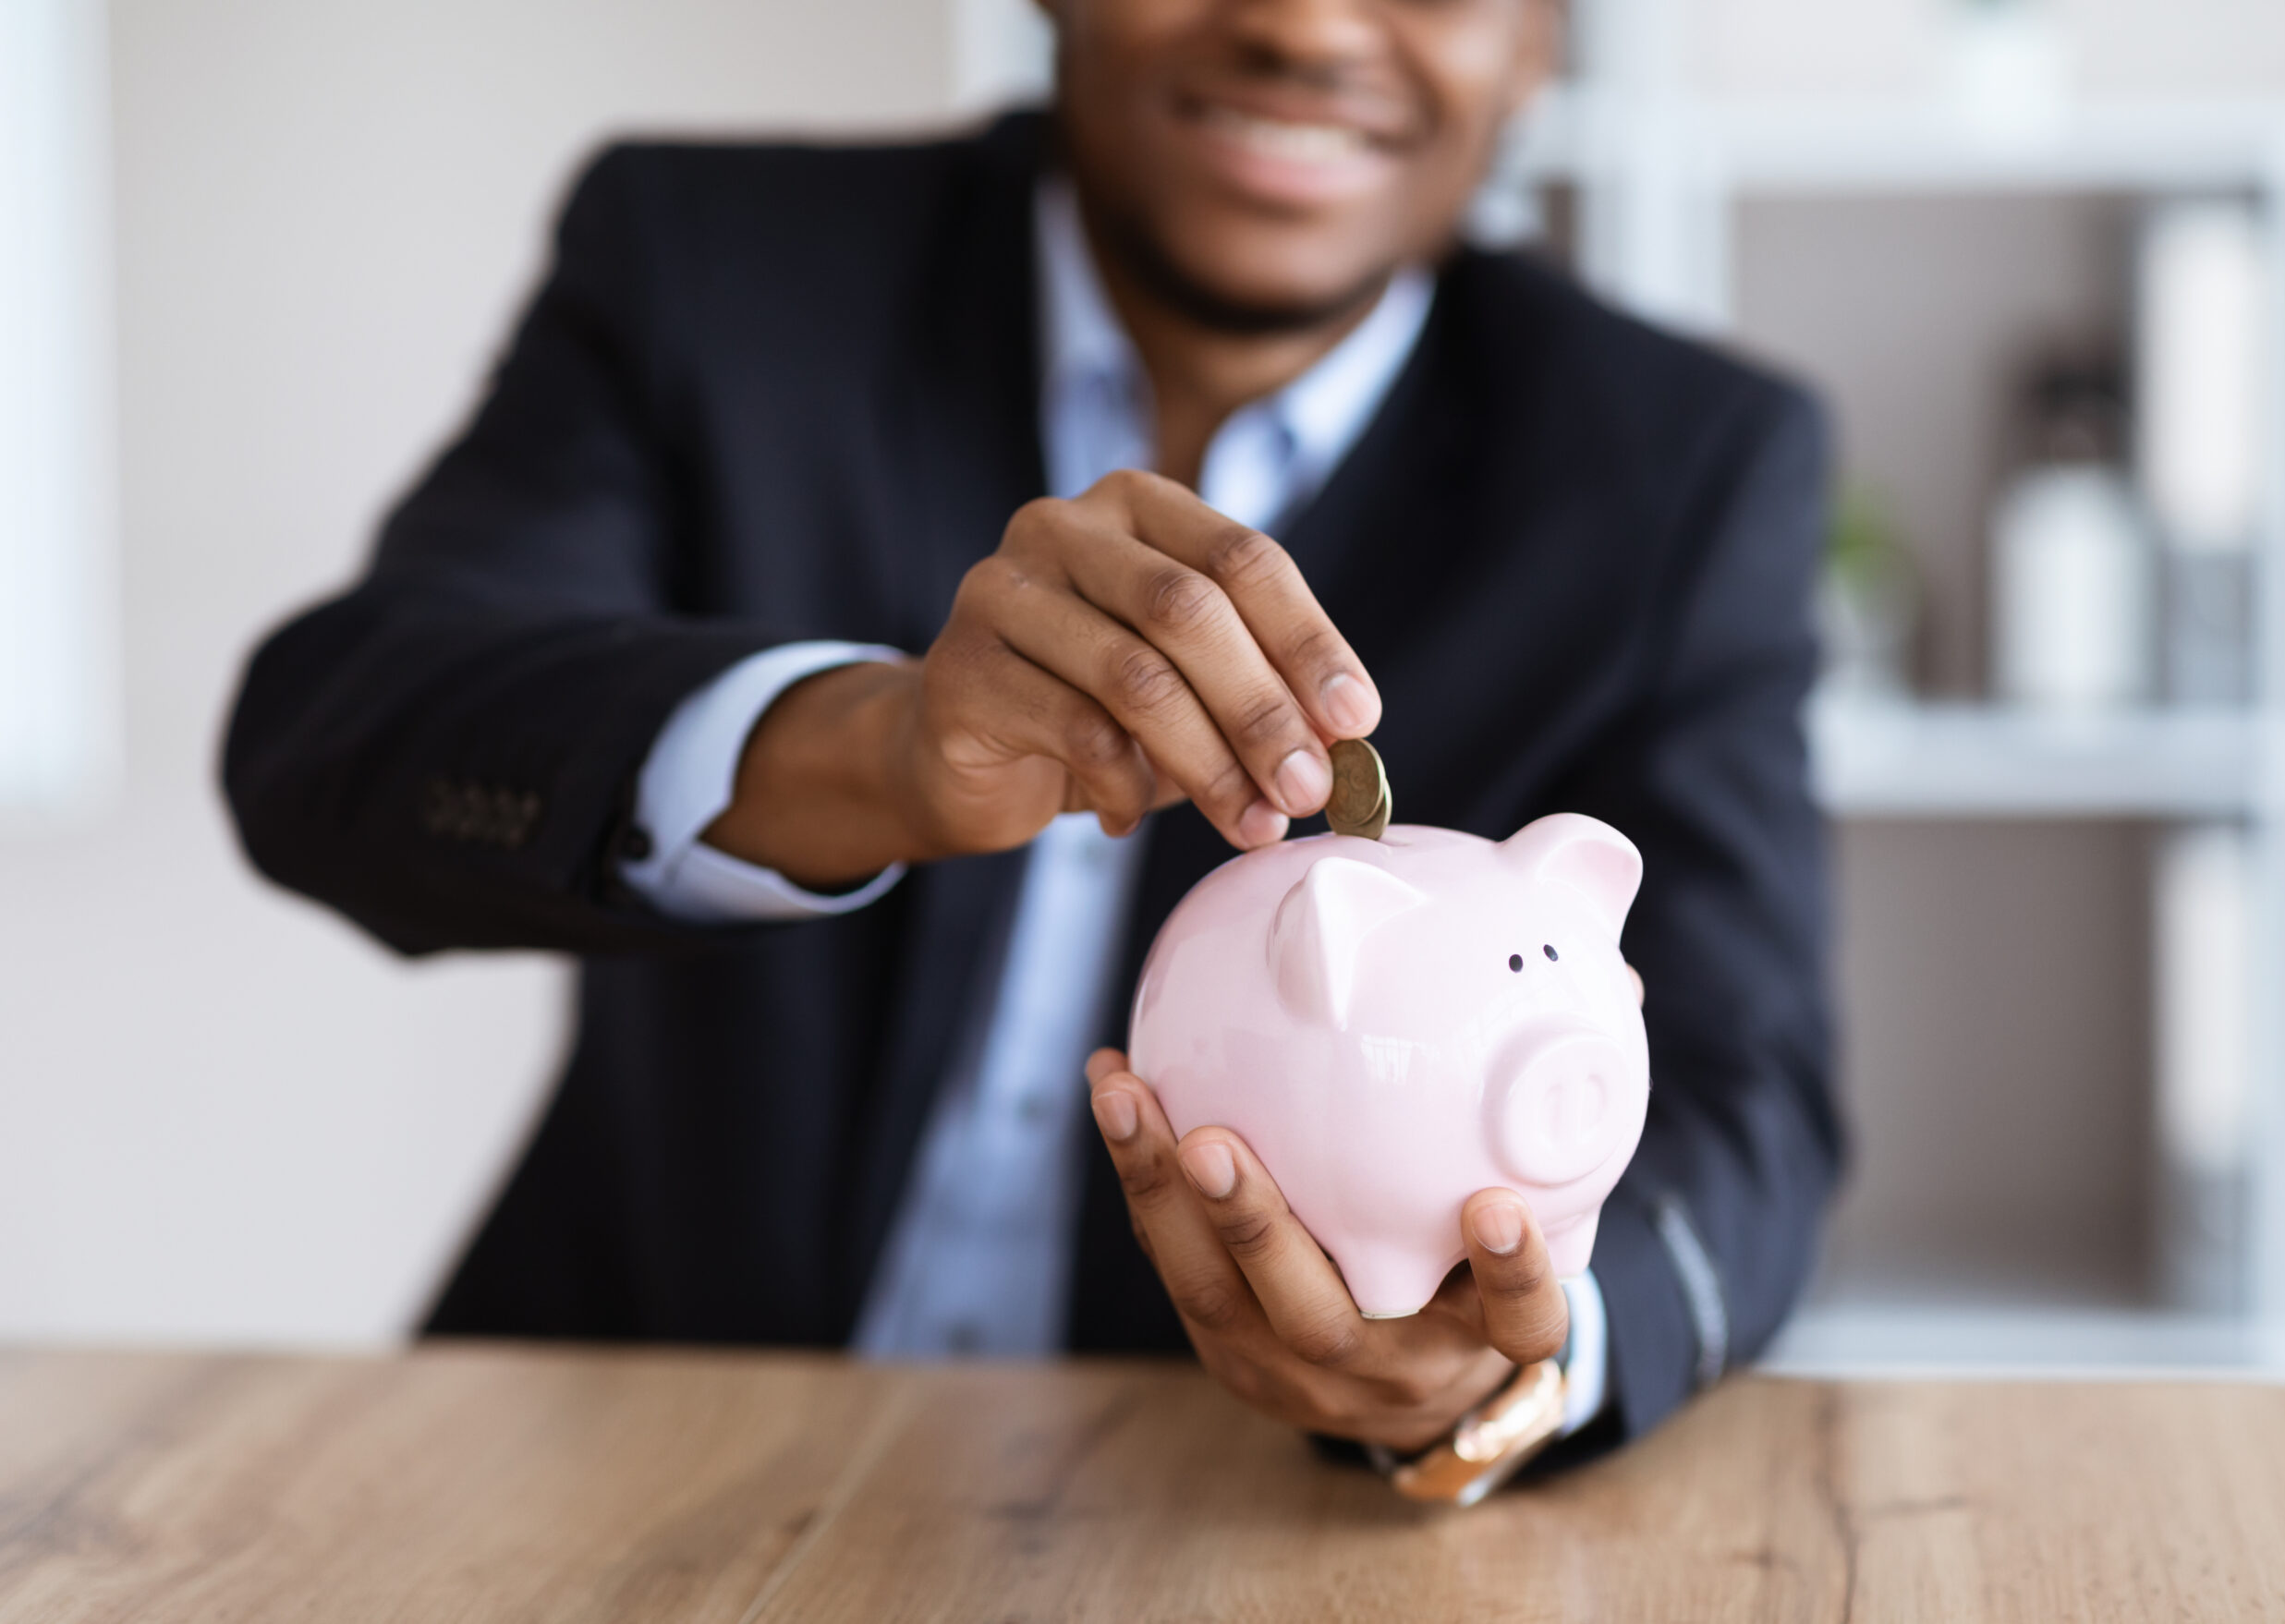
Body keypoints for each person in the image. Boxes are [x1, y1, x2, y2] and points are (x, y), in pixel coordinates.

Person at [224, 0, 1839, 1488]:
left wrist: (1506, 1353)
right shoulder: (708, 266)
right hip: (629, 1455)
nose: (1304, 23)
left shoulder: (1681, 465)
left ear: (1542, 40)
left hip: (1217, 1516)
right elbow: (337, 732)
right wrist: (867, 747)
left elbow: (1750, 1094)